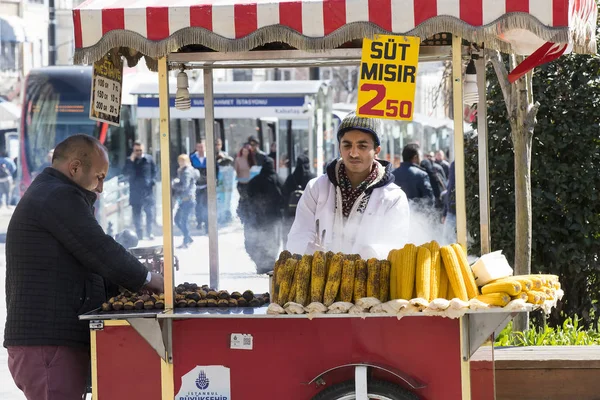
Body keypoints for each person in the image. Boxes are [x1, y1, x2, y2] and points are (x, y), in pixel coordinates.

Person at [4, 134, 163, 400]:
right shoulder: (57, 195)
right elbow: (97, 248)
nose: (100, 188)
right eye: (99, 177)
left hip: (51, 341)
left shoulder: (52, 192)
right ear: (75, 167)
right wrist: (148, 278)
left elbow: (88, 257)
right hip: (47, 342)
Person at [287, 112, 409, 259]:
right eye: (347, 145)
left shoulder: (393, 197)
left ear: (377, 150)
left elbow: (397, 244)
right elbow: (298, 234)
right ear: (339, 148)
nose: (353, 153)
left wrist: (372, 253)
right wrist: (309, 249)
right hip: (319, 277)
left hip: (369, 278)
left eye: (362, 146)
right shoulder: (317, 188)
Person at [242, 157, 284, 274]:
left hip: (258, 217)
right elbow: (284, 198)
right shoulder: (278, 180)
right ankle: (270, 264)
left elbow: (247, 198)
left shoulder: (255, 181)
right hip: (274, 217)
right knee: (273, 241)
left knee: (259, 240)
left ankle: (261, 264)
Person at [124, 141, 157, 240]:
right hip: (135, 192)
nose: (138, 152)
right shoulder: (129, 160)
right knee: (137, 214)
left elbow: (155, 171)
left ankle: (149, 232)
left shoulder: (149, 159)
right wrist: (131, 161)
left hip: (147, 191)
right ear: (133, 150)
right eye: (136, 150)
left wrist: (152, 181)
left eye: (140, 150)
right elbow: (125, 172)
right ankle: (139, 234)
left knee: (149, 213)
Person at [282, 154, 316, 239]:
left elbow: (284, 194)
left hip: (291, 214)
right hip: (308, 216)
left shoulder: (291, 178)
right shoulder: (313, 178)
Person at [393, 143, 435, 210]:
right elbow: (429, 201)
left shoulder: (393, 174)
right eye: (420, 156)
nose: (421, 159)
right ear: (415, 157)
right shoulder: (422, 175)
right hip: (418, 217)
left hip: (398, 215)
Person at [172, 154, 199, 249]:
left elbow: (184, 186)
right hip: (186, 199)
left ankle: (186, 241)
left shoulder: (186, 172)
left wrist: (174, 184)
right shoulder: (185, 171)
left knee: (182, 221)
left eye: (183, 161)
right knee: (178, 219)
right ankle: (188, 238)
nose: (181, 163)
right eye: (180, 161)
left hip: (187, 199)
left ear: (187, 161)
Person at [190, 142, 209, 232]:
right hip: (196, 185)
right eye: (199, 147)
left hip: (206, 184)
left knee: (206, 204)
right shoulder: (192, 157)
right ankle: (199, 221)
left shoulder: (209, 156)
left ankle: (207, 223)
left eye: (202, 147)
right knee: (198, 204)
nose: (200, 149)